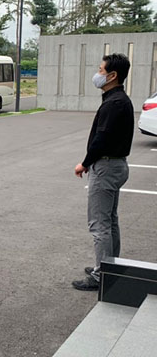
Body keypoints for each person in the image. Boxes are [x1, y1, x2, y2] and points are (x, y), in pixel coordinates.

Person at [72, 54, 134, 291]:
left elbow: (102, 139)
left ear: (112, 75)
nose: (97, 74)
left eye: (100, 70)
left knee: (99, 225)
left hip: (107, 167)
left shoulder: (114, 103)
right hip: (116, 165)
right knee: (110, 221)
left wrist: (85, 163)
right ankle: (109, 266)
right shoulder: (119, 100)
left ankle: (101, 275)